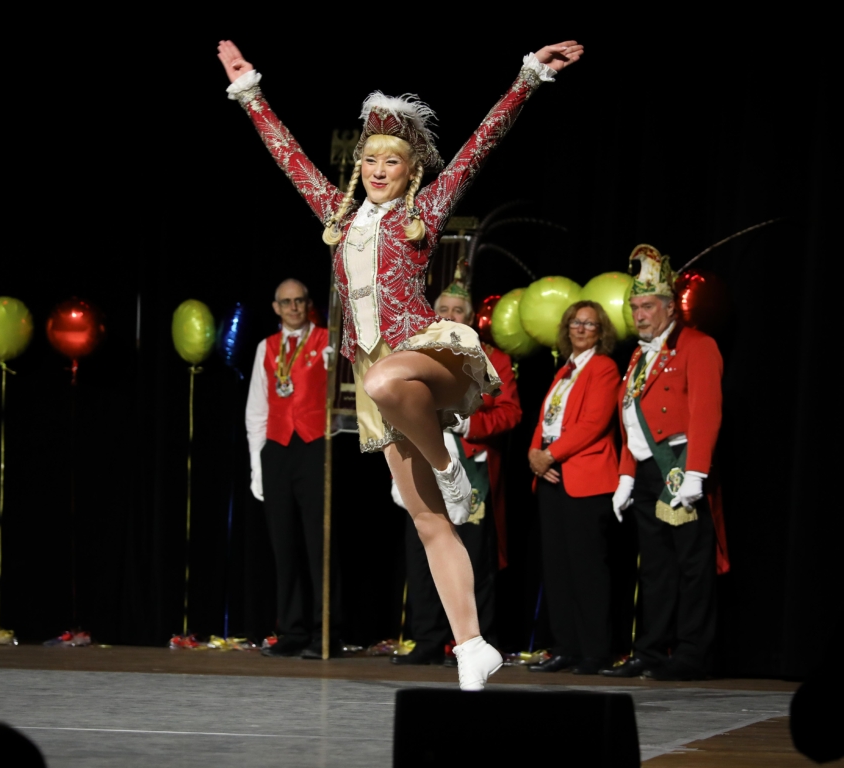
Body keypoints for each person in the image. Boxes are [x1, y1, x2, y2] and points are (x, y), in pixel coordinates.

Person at [218, 37, 583, 690]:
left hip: (427, 356)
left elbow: (480, 145)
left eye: (393, 160)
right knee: (427, 519)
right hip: (380, 383)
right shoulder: (338, 215)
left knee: (387, 380)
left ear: (412, 170)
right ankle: (473, 646)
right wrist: (250, 93)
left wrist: (528, 76)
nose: (379, 168)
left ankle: (449, 467)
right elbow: (288, 156)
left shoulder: (425, 211)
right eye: (371, 158)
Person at [601, 245, 723, 681]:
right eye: (635, 307)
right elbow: (631, 420)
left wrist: (696, 473)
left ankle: (691, 654)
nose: (639, 315)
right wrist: (626, 477)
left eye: (648, 306)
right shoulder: (639, 355)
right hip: (648, 470)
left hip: (681, 466)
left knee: (691, 566)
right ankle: (650, 651)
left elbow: (706, 412)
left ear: (670, 307)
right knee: (653, 568)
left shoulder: (698, 345)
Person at [390, 277, 521, 666]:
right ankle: (428, 640)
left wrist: (468, 424)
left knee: (473, 559)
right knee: (423, 554)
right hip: (427, 464)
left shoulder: (494, 358)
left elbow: (510, 412)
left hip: (471, 468)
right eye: (443, 309)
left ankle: (474, 642)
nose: (449, 316)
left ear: (471, 317)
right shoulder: (415, 353)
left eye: (457, 311)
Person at [245, 278, 341, 659]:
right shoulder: (266, 348)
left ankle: (325, 632)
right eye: (286, 302)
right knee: (283, 546)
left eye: (299, 300)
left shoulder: (327, 342)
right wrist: (257, 466)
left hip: (315, 447)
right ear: (276, 308)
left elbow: (344, 395)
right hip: (278, 449)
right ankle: (292, 630)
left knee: (320, 545)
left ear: (308, 303)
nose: (294, 307)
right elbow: (256, 410)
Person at [525, 301, 620, 675]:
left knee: (587, 570)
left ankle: (595, 652)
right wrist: (535, 454)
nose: (581, 329)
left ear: (601, 332)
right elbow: (545, 420)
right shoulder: (564, 371)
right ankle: (566, 647)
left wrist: (549, 455)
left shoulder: (604, 368)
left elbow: (594, 423)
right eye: (575, 323)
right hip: (552, 477)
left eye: (589, 324)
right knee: (557, 569)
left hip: (585, 478)